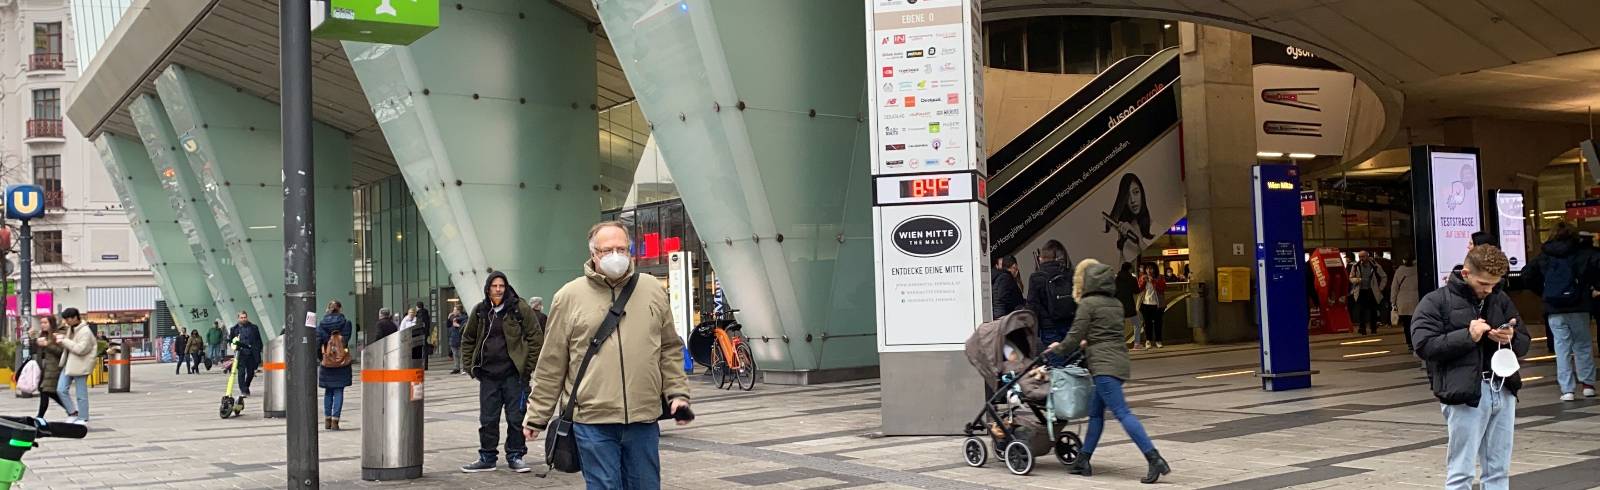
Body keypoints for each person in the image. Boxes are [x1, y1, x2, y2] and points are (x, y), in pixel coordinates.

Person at [524, 221, 692, 488]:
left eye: (622, 249)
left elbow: (669, 349)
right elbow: (552, 361)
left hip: (643, 417)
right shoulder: (568, 296)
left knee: (646, 485)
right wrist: (537, 415)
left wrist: (678, 394)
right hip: (593, 419)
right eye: (608, 250)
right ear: (593, 254)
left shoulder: (651, 290)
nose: (617, 255)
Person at [1043, 258, 1169, 484]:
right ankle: (1083, 459)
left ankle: (1154, 458)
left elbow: (1074, 335)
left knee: (1123, 413)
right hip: (1118, 362)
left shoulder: (1088, 304)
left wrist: (1058, 348)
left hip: (1103, 366)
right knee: (1095, 414)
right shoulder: (1115, 304)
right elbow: (1106, 333)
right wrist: (1087, 342)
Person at [1412, 244, 1527, 490]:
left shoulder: (1500, 298)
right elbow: (1423, 346)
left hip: (1503, 388)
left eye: (1494, 284)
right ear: (1466, 273)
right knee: (1461, 471)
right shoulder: (1435, 301)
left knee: (1498, 469)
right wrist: (1468, 336)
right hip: (1464, 393)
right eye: (1484, 283)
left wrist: (1510, 337)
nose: (1489, 290)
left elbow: (1525, 342)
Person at [458, 271, 544, 473]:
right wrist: (470, 365)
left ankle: (515, 455)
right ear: (488, 288)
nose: (498, 289)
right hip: (488, 376)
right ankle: (487, 457)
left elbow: (535, 337)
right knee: (488, 419)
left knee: (516, 418)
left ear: (506, 288)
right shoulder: (480, 311)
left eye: (501, 286)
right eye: (494, 286)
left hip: (514, 375)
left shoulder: (518, 308)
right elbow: (468, 338)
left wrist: (527, 366)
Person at [1523, 222, 1600, 401]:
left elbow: (1527, 274)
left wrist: (1544, 292)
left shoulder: (1545, 255)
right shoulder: (1582, 253)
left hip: (1554, 308)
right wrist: (1591, 289)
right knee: (1582, 344)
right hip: (1579, 306)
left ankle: (1567, 390)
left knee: (1561, 346)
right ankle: (1587, 384)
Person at [1027, 240, 1076, 364]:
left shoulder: (1036, 277)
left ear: (1041, 257)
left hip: (1049, 329)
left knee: (1057, 365)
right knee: (1073, 363)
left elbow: (1032, 306)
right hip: (1069, 324)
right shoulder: (1069, 273)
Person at [317, 300, 354, 430]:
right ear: (340, 309)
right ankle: (335, 421)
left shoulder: (321, 325)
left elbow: (318, 342)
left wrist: (321, 357)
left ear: (328, 309)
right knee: (339, 390)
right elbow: (346, 341)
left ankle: (327, 419)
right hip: (342, 362)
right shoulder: (346, 323)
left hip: (327, 362)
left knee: (328, 391)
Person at [1104, 173, 1154, 267]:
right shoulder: (1124, 228)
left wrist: (1139, 240)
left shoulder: (1154, 227)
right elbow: (1121, 263)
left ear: (1142, 193)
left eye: (1136, 192)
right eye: (1127, 196)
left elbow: (1151, 258)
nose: (1132, 200)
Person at [55, 308, 94, 425]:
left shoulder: (85, 331)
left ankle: (83, 417)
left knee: (81, 394)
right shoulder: (70, 329)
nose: (66, 321)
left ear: (75, 318)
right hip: (68, 364)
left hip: (80, 366)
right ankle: (72, 413)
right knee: (60, 389)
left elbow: (80, 349)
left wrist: (64, 341)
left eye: (68, 319)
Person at [31, 317, 70, 420]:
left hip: (54, 368)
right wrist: (34, 340)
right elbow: (36, 352)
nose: (43, 325)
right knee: (46, 391)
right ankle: (40, 417)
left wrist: (47, 344)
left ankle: (71, 410)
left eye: (45, 322)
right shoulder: (43, 335)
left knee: (47, 391)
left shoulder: (57, 335)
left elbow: (61, 352)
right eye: (41, 322)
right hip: (44, 368)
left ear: (51, 323)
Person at [227, 310, 265, 401]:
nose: (243, 319)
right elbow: (231, 341)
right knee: (241, 372)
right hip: (241, 354)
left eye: (245, 317)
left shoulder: (254, 328)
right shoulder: (234, 329)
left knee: (251, 372)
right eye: (242, 317)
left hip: (252, 353)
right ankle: (243, 390)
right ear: (238, 318)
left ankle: (246, 385)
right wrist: (234, 346)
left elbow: (258, 340)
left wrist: (259, 349)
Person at [1350, 251, 1388, 335]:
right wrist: (1358, 280)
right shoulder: (1355, 266)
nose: (1361, 259)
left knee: (1373, 310)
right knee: (1361, 310)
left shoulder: (1375, 266)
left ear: (1367, 256)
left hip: (1372, 291)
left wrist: (1380, 288)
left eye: (1363, 256)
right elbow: (1351, 278)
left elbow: (1384, 277)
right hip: (1361, 290)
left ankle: (1373, 327)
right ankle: (1362, 328)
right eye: (1359, 257)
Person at [1391, 258, 1420, 353]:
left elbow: (1394, 287)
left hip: (1402, 301)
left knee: (1407, 324)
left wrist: (1393, 301)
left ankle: (1410, 344)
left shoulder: (1400, 271)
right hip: (1416, 300)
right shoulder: (1418, 269)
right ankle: (1417, 341)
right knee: (1417, 323)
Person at [1137, 263, 1167, 349]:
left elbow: (1162, 289)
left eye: (1151, 269)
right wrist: (1143, 281)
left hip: (1158, 305)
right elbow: (1139, 289)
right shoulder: (1143, 277)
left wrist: (1153, 281)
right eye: (1147, 269)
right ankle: (1148, 341)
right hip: (1145, 304)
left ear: (1155, 269)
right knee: (1147, 324)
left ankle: (1158, 341)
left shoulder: (1160, 277)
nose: (1149, 271)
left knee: (1158, 323)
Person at [1115, 262, 1142, 350]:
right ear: (1130, 269)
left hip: (1118, 305)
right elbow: (1136, 291)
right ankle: (1137, 344)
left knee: (1120, 326)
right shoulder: (1132, 278)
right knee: (1137, 324)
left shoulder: (1116, 279)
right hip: (1129, 305)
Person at [448, 303, 466, 375]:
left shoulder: (464, 317)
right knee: (455, 354)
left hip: (461, 338)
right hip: (453, 337)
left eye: (455, 310)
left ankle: (464, 368)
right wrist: (449, 318)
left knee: (462, 355)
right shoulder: (452, 317)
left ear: (459, 311)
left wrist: (458, 325)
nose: (453, 311)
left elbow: (466, 326)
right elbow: (448, 325)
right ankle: (456, 368)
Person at [415, 301, 434, 369]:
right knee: (424, 349)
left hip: (421, 333)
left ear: (417, 307)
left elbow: (419, 324)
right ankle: (425, 365)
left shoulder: (420, 314)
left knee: (421, 350)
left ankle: (422, 365)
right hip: (425, 333)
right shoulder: (426, 313)